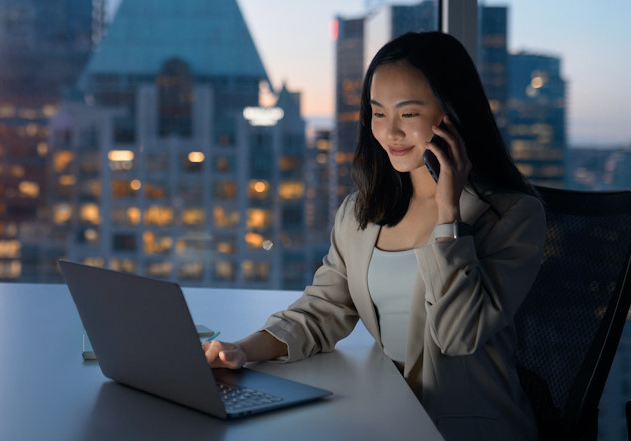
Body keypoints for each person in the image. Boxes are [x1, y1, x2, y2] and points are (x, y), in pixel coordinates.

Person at [203, 32, 545, 441]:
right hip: (384, 410)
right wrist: (241, 349)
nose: (391, 133)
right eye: (378, 113)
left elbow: (458, 336)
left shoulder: (511, 216)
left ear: (451, 115)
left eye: (409, 114)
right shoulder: (363, 212)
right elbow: (322, 308)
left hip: (464, 428)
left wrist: (449, 213)